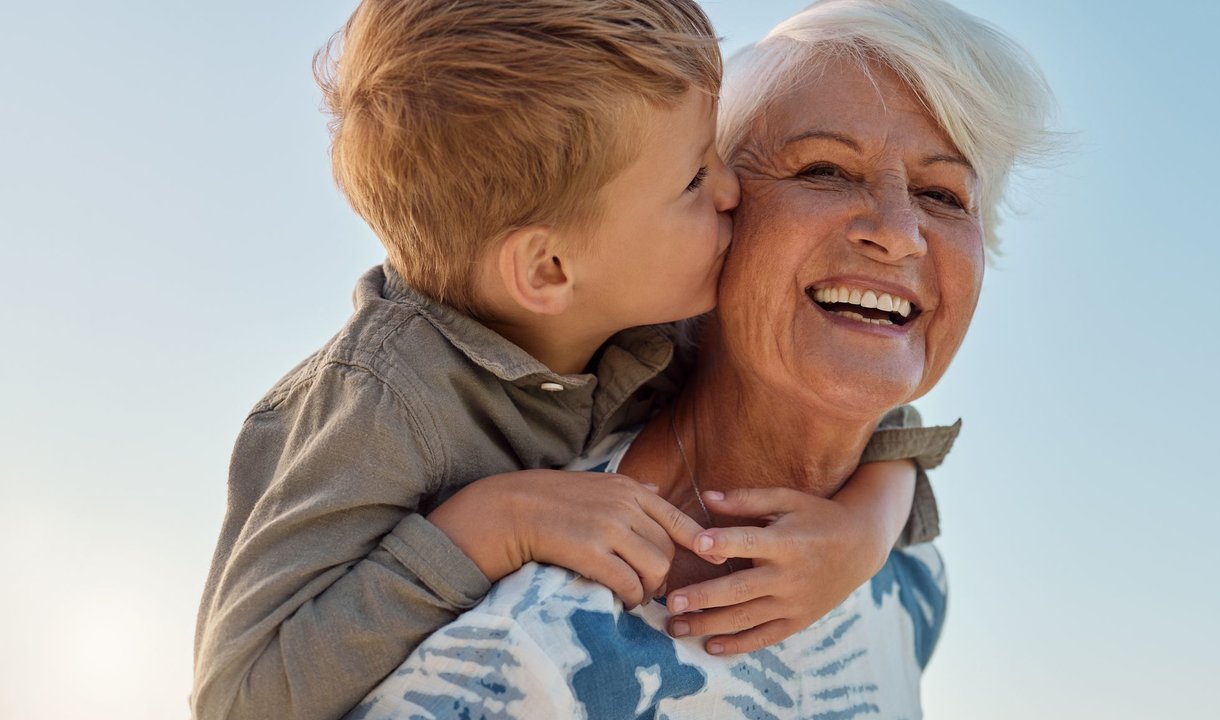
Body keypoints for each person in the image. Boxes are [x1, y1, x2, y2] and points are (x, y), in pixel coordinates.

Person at [191, 2, 955, 719]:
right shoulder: (380, 406)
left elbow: (861, 393)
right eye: (693, 178)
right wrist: (490, 527)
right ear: (548, 271)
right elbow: (243, 694)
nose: (731, 192)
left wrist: (864, 529)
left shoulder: (639, 309)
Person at [348, 0, 1055, 718]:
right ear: (718, 220)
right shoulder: (516, 649)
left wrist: (870, 528)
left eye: (944, 194)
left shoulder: (910, 581)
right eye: (825, 171)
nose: (901, 235)